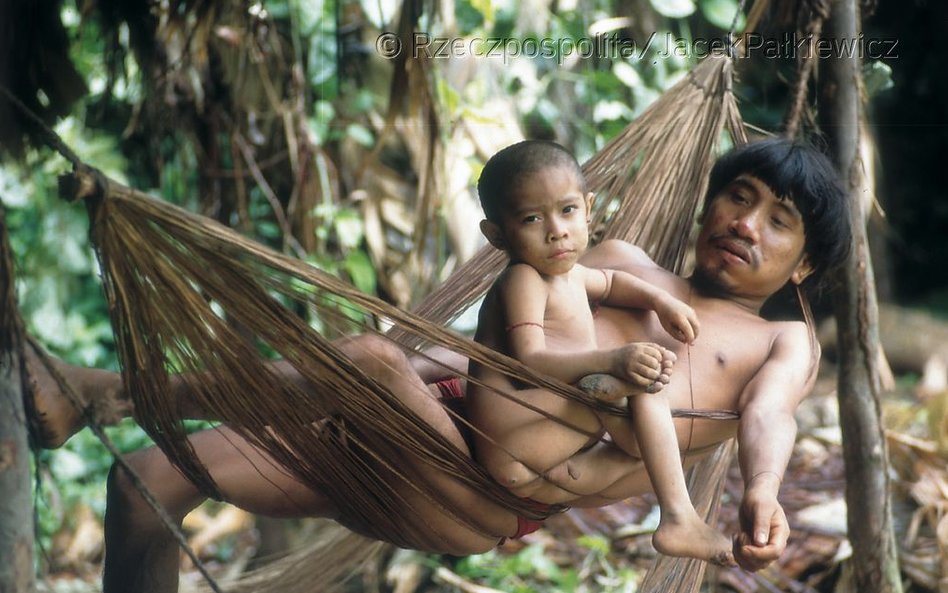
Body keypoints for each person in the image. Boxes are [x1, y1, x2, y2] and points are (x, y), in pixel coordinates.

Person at [25, 137, 850, 593]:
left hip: (478, 492)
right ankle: (94, 402)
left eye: (779, 221)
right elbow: (498, 343)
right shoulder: (620, 262)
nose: (747, 223)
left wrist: (765, 490)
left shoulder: (779, 343)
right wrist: (408, 374)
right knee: (143, 483)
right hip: (436, 414)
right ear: (709, 203)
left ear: (804, 266)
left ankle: (113, 393)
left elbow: (769, 414)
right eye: (739, 195)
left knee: (370, 357)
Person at [466, 140, 732, 565]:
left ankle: (660, 498)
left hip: (537, 435)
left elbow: (611, 283)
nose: (556, 230)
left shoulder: (568, 275)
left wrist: (662, 302)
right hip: (513, 436)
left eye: (567, 210)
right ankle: (677, 514)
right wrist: (612, 359)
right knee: (634, 383)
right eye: (532, 218)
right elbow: (529, 363)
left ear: (588, 208)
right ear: (497, 234)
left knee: (637, 398)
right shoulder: (523, 280)